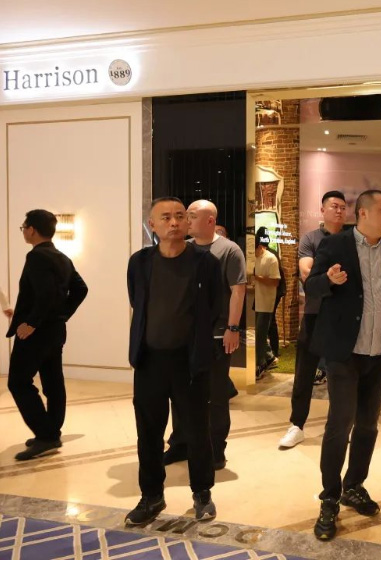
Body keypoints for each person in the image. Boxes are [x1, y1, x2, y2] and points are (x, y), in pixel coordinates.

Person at [307, 189, 381, 541]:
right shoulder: (335, 245)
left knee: (368, 425)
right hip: (345, 353)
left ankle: (354, 486)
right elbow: (311, 286)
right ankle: (329, 497)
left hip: (379, 353)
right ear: (362, 213)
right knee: (339, 425)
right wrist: (328, 280)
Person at [125, 197, 221, 526]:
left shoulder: (205, 262)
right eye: (165, 217)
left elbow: (213, 306)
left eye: (180, 216)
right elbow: (136, 300)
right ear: (152, 224)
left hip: (189, 362)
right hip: (149, 360)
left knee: (196, 430)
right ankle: (152, 496)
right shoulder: (139, 262)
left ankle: (202, 493)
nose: (174, 222)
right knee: (148, 432)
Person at [164, 200, 246, 470]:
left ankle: (215, 449)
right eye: (185, 215)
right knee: (179, 392)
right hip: (183, 335)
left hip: (216, 335)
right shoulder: (183, 248)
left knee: (215, 395)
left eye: (192, 216)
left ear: (210, 220)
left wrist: (232, 328)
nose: (186, 220)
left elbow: (237, 291)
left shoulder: (229, 250)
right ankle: (181, 444)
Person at [6, 209, 88, 461]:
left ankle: (46, 434)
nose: (23, 231)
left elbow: (45, 294)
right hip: (54, 331)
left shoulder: (37, 257)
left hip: (37, 334)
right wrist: (61, 316)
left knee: (18, 382)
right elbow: (81, 289)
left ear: (31, 230)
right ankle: (51, 431)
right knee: (53, 381)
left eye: (24, 227)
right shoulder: (62, 257)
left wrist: (32, 322)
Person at [278, 190, 347, 449]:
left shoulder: (352, 238)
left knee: (342, 373)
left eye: (342, 207)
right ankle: (297, 425)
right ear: (322, 209)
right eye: (334, 206)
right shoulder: (311, 238)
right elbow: (307, 273)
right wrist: (332, 278)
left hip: (343, 316)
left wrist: (325, 277)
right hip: (314, 313)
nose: (339, 210)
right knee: (304, 372)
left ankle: (340, 426)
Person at [257, 226, 287, 360]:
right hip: (273, 291)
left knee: (268, 321)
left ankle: (272, 351)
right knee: (269, 320)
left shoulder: (269, 255)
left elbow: (275, 279)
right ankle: (272, 351)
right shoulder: (271, 252)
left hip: (273, 291)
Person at [254, 233, 281, 377]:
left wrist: (257, 278)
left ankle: (261, 363)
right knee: (258, 333)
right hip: (254, 300)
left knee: (260, 333)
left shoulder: (270, 258)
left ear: (259, 246)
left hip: (266, 302)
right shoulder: (253, 259)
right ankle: (269, 357)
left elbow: (275, 281)